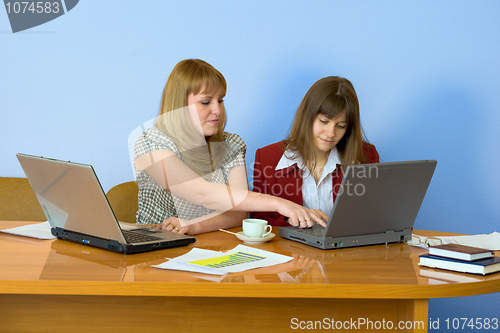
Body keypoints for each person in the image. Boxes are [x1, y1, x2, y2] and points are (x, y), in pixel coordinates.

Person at [134, 59, 324, 235]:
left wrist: (193, 226)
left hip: (213, 247)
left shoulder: (231, 145)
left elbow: (238, 214)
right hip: (156, 248)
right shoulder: (151, 142)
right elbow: (201, 193)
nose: (217, 110)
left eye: (220, 100)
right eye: (206, 102)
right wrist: (280, 204)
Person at [251, 76, 380, 228]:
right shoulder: (267, 158)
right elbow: (258, 222)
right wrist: (291, 220)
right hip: (289, 251)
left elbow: (382, 215)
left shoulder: (366, 155)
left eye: (341, 126)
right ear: (308, 116)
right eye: (324, 122)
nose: (331, 133)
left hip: (347, 250)